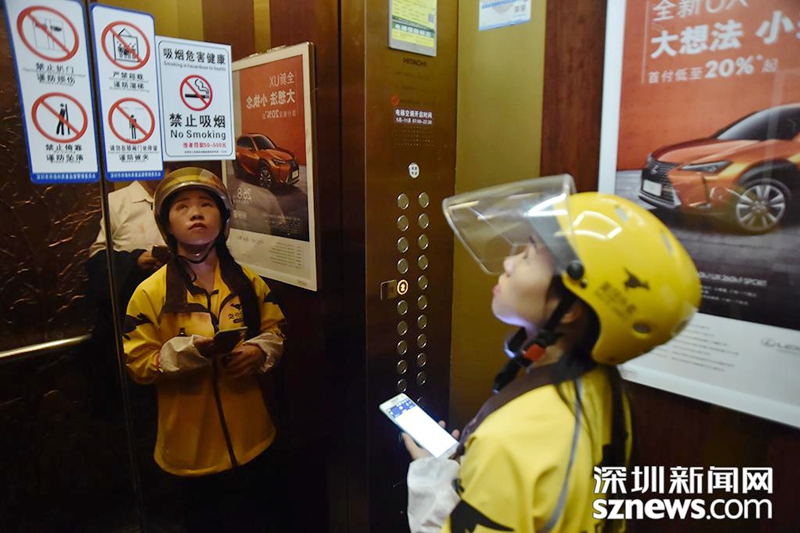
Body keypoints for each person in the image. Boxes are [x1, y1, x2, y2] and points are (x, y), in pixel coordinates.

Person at [404, 175, 701, 533]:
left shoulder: (510, 439)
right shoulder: (603, 390)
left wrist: (433, 483)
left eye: (529, 254)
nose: (509, 263)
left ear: (572, 309)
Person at [122, 167, 287, 532]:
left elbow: (275, 330)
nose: (196, 213)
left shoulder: (248, 282)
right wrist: (190, 353)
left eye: (206, 204)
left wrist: (260, 352)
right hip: (189, 452)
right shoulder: (149, 294)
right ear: (167, 223)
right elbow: (138, 365)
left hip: (253, 440)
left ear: (223, 218)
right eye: (182, 206)